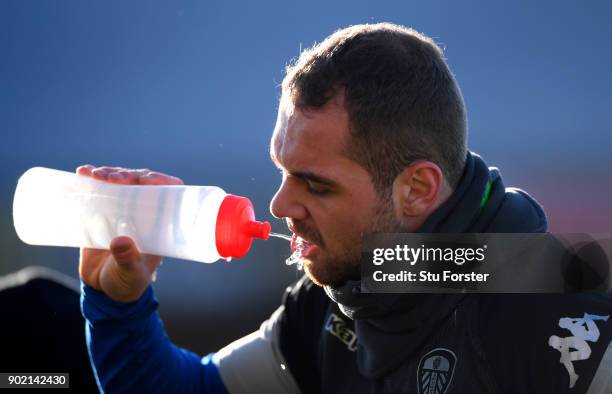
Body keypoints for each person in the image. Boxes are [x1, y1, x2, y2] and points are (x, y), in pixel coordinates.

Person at [79, 23, 612, 393]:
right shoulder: (345, 296)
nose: (281, 203)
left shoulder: (547, 319)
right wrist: (118, 301)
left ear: (418, 189)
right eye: (284, 171)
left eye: (316, 185)